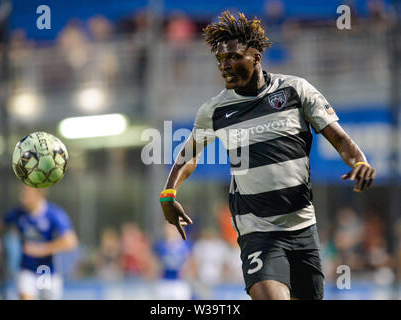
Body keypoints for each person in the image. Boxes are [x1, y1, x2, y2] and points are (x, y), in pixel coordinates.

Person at [159, 11, 376, 300]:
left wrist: (360, 161)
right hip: (257, 232)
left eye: (234, 57)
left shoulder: (296, 91)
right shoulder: (214, 111)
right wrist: (169, 192)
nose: (225, 66)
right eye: (221, 60)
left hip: (301, 228)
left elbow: (340, 140)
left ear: (256, 56)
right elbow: (188, 155)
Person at [0, 185, 78, 300]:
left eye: (26, 192)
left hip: (46, 271)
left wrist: (42, 249)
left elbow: (71, 241)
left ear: (39, 194)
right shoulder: (17, 213)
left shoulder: (53, 213)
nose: (22, 196)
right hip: (27, 270)